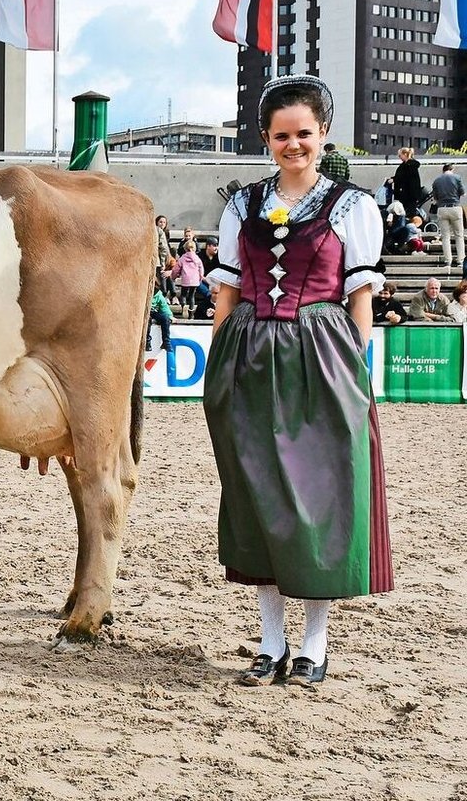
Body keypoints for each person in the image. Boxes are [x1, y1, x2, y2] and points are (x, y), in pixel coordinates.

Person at [204, 75, 392, 689]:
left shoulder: (351, 206)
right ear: (266, 137)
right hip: (249, 355)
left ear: (323, 134)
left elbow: (359, 293)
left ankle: (315, 642)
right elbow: (227, 290)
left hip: (321, 354)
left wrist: (356, 367)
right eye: (282, 135)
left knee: (317, 497)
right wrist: (220, 362)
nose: (293, 144)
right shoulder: (241, 204)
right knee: (258, 496)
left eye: (303, 134)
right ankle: (269, 641)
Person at [430, 164, 465, 269]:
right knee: (459, 235)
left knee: (445, 236)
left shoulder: (436, 181)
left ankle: (448, 261)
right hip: (455, 207)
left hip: (442, 209)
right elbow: (462, 193)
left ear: (443, 170)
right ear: (452, 169)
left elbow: (435, 197)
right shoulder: (457, 178)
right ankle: (460, 260)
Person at [173, 239, 204, 316]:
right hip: (195, 280)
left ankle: (184, 307)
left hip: (185, 280)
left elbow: (176, 269)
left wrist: (173, 276)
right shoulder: (197, 258)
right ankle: (191, 313)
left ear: (185, 249)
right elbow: (201, 268)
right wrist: (200, 277)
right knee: (191, 296)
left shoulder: (182, 258)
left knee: (183, 295)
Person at [393, 146, 423, 218]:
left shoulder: (408, 166)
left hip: (408, 194)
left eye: (400, 155)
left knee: (408, 212)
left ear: (405, 154)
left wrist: (394, 179)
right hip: (409, 194)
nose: (399, 157)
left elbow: (404, 177)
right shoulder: (409, 165)